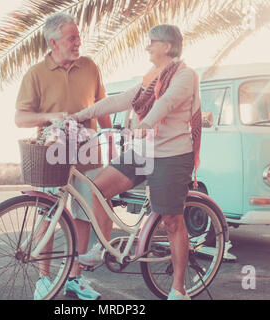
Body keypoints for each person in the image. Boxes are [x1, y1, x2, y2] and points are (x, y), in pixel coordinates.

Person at [71, 24, 202, 301]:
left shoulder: (185, 75)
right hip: (143, 151)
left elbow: (165, 102)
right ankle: (102, 249)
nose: (147, 47)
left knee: (172, 221)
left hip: (171, 154)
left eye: (151, 42)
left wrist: (147, 124)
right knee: (97, 187)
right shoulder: (150, 77)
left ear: (166, 46)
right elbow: (118, 100)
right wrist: (80, 114)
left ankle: (179, 289)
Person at [15, 12, 114, 300]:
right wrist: (48, 116)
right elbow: (20, 118)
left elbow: (102, 106)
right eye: (72, 38)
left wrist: (112, 140)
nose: (78, 42)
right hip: (52, 155)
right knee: (48, 214)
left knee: (84, 215)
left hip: (88, 153)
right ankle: (44, 279)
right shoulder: (36, 73)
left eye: (78, 37)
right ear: (53, 42)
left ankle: (74, 277)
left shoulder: (90, 67)